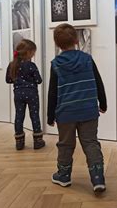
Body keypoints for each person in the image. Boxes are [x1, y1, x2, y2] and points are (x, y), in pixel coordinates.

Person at [47, 23, 107, 193]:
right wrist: (102, 103)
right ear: (76, 40)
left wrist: (50, 116)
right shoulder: (87, 59)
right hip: (88, 110)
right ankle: (98, 178)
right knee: (90, 143)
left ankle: (64, 175)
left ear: (57, 44)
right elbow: (98, 82)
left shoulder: (56, 64)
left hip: (65, 113)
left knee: (65, 144)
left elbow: (52, 92)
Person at [6, 39, 44, 150]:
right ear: (28, 52)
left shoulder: (12, 65)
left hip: (18, 94)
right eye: (33, 52)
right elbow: (39, 80)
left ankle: (19, 142)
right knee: (34, 115)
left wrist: (18, 82)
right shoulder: (31, 65)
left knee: (19, 116)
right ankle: (38, 141)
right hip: (32, 94)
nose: (33, 55)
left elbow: (8, 80)